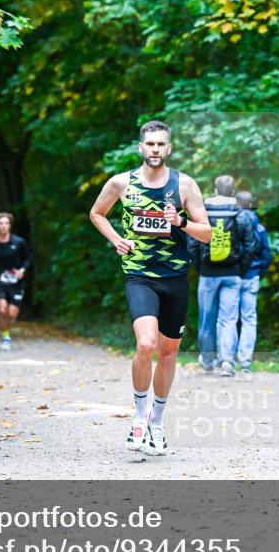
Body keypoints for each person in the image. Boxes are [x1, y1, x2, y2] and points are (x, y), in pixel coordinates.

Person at [89, 120, 211, 456]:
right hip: (139, 274)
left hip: (174, 277)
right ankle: (139, 418)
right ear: (141, 147)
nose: (155, 149)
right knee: (146, 343)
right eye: (150, 144)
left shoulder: (184, 184)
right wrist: (116, 239)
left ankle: (157, 421)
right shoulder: (120, 183)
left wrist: (180, 222)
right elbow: (97, 213)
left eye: (161, 144)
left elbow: (207, 233)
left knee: (168, 353)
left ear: (168, 148)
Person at [187, 176, 258, 377]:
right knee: (228, 319)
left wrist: (200, 267)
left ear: (216, 191)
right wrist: (240, 269)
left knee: (206, 320)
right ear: (233, 193)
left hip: (208, 274)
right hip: (232, 274)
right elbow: (250, 245)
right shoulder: (240, 214)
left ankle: (208, 361)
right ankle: (227, 362)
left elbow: (192, 243)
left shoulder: (203, 212)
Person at [0, 212, 33, 351]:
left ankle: (7, 327)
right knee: (2, 309)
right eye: (1, 223)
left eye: (6, 223)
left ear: (10, 225)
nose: (3, 226)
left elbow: (28, 258)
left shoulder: (19, 242)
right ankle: (5, 337)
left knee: (11, 315)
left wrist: (22, 270)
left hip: (16, 282)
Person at [233, 191, 271, 374]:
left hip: (232, 275)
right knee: (249, 318)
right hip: (252, 276)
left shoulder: (231, 223)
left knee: (228, 318)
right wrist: (258, 272)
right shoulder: (260, 228)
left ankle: (226, 358)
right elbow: (266, 255)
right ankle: (245, 361)